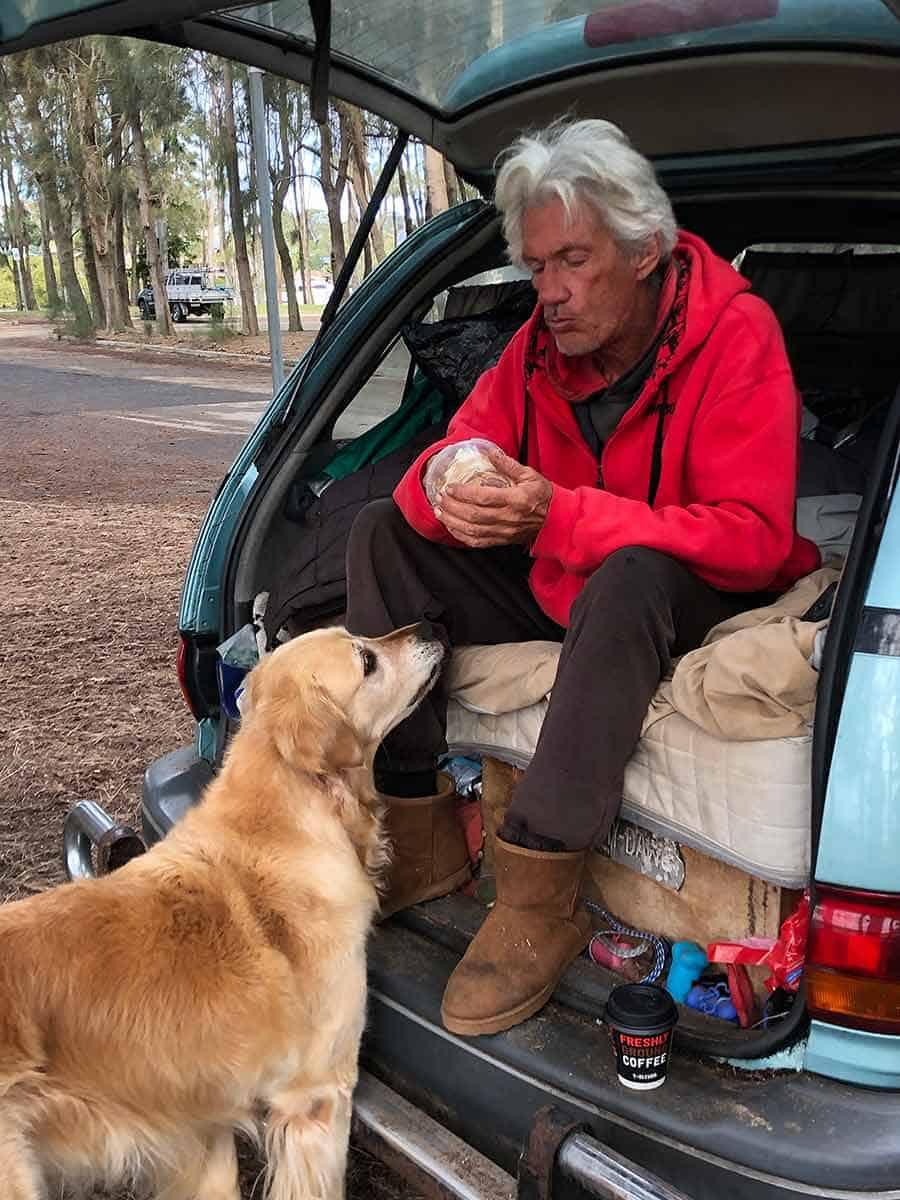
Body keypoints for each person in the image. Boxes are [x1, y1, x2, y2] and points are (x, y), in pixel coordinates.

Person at [345, 118, 820, 1038]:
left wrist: (558, 515)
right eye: (535, 269)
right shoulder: (535, 351)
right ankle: (423, 825)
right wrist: (446, 478)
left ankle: (537, 893)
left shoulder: (736, 334)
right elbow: (446, 458)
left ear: (645, 251)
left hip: (690, 589)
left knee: (632, 571)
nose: (549, 295)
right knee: (377, 535)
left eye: (572, 262)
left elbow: (757, 539)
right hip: (575, 579)